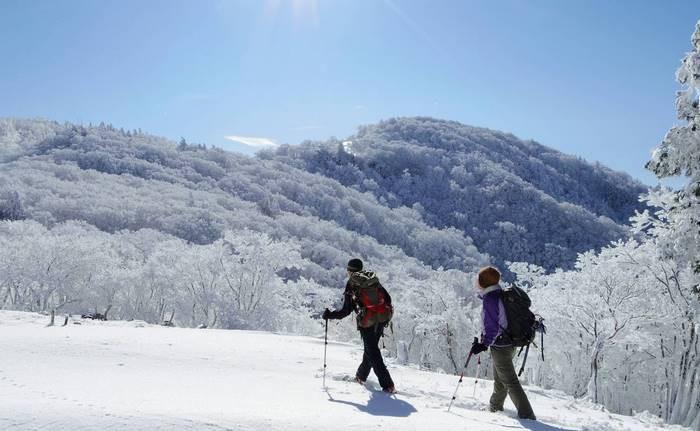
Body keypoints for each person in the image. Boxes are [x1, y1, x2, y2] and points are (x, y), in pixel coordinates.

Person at [470, 266, 536, 420]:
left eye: (478, 278)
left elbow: (492, 327)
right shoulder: (499, 294)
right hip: (508, 344)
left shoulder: (491, 299)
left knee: (510, 382)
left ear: (483, 282)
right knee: (501, 379)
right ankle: (495, 407)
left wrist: (484, 344)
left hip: (500, 346)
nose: (476, 281)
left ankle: (528, 416)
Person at [323, 258, 396, 394]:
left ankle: (388, 385)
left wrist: (330, 315)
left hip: (367, 321)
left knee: (373, 352)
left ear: (350, 271)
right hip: (381, 318)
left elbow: (346, 310)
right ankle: (361, 376)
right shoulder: (372, 279)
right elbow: (388, 298)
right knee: (370, 349)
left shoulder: (352, 284)